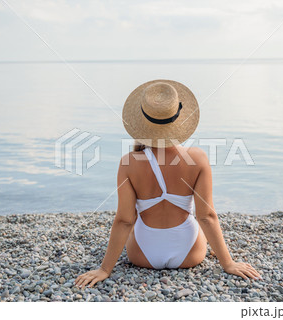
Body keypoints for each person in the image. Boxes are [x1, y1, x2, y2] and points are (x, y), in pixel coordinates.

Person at [74, 80, 261, 289]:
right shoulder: (197, 158)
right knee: (196, 224)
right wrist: (228, 263)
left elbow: (125, 220)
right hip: (189, 254)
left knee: (135, 225)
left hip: (143, 255)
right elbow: (206, 216)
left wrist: (105, 269)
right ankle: (209, 248)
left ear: (142, 121)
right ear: (179, 118)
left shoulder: (129, 162)